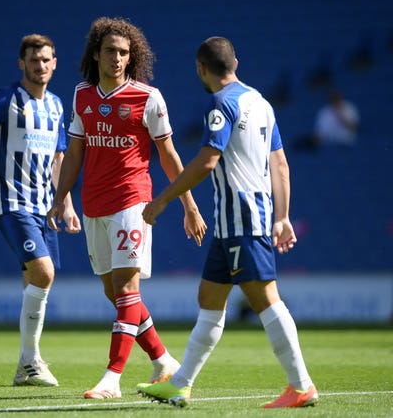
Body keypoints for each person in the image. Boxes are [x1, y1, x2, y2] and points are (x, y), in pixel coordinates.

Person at [136, 36, 318, 408]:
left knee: (266, 300)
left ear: (202, 68)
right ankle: (181, 383)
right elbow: (279, 163)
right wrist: (282, 217)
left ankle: (301, 386)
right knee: (209, 299)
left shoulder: (220, 103)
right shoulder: (260, 102)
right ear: (234, 61)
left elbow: (207, 160)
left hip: (241, 220)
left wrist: (164, 199)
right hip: (233, 223)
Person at [47, 17, 206, 399]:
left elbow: (168, 155)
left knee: (127, 287)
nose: (117, 58)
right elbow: (74, 154)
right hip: (94, 205)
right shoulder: (81, 96)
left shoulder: (148, 97)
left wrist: (189, 205)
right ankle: (163, 360)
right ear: (96, 55)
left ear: (131, 57)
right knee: (113, 292)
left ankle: (111, 378)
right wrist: (59, 198)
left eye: (123, 52)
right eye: (110, 51)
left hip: (133, 201)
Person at [0, 34, 80, 387]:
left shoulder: (55, 106)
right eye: (34, 60)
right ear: (21, 64)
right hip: (11, 202)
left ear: (55, 64)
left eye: (46, 60)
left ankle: (27, 363)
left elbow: (59, 159)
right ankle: (29, 361)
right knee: (44, 273)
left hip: (44, 207)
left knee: (36, 281)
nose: (40, 65)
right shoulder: (5, 99)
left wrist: (65, 202)